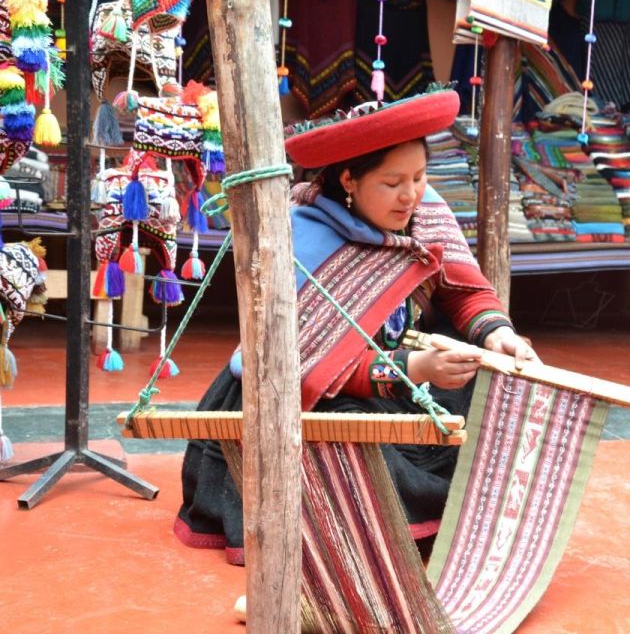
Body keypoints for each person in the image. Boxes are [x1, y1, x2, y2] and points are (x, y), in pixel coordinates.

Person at [175, 88, 538, 565]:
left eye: (419, 177)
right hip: (308, 393)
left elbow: (464, 290)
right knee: (347, 439)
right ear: (349, 178)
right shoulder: (306, 238)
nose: (410, 194)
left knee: (484, 387)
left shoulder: (421, 210)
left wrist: (497, 334)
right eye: (393, 183)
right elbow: (299, 369)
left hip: (391, 375)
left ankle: (473, 508)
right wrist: (416, 367)